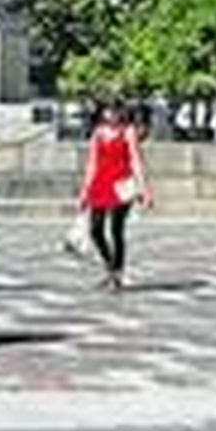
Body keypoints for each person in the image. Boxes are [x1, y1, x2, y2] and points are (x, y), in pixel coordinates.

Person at [79, 100, 152, 290]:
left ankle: (117, 273)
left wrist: (144, 189)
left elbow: (136, 161)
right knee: (95, 229)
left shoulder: (128, 132)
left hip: (122, 184)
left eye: (115, 111)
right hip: (100, 183)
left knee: (116, 229)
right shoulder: (98, 133)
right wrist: (84, 190)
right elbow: (92, 162)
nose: (111, 115)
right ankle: (110, 266)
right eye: (108, 111)